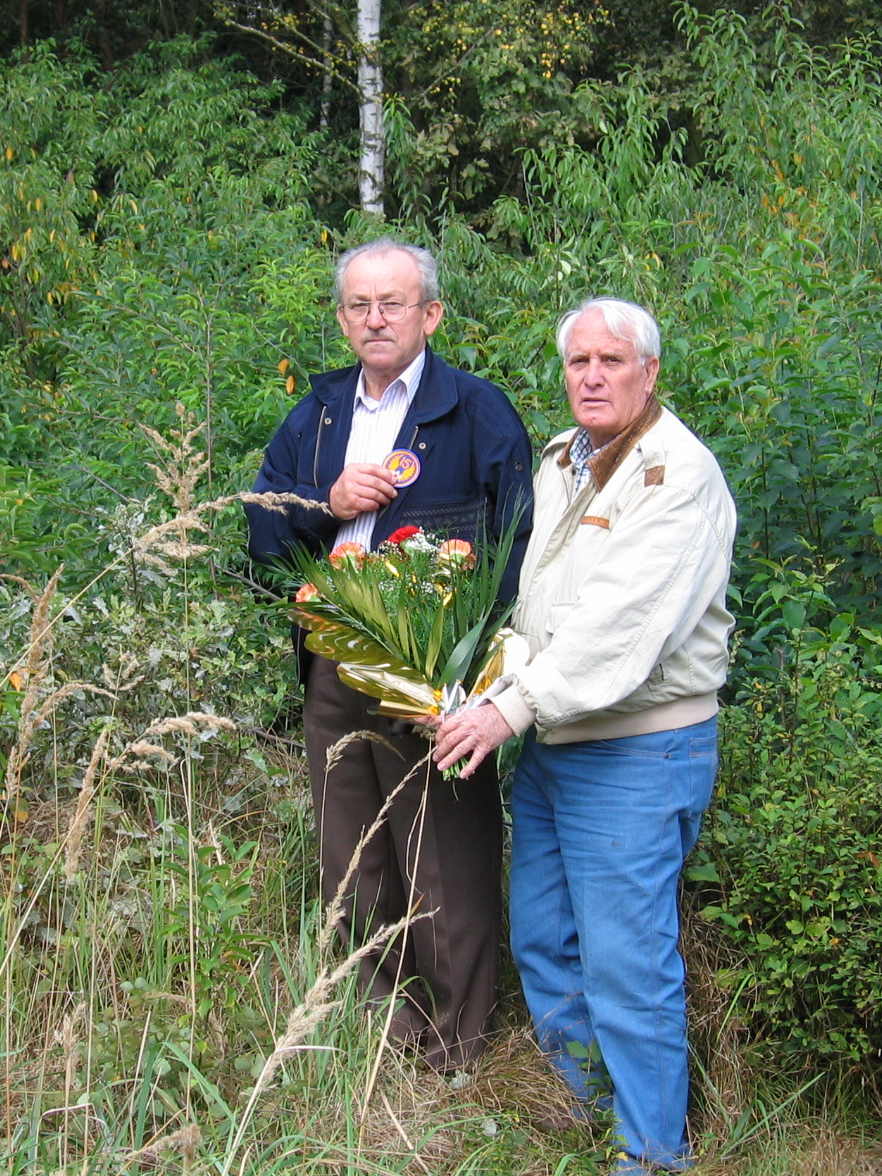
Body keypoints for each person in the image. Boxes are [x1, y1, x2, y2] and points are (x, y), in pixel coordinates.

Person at [433, 298, 736, 1171]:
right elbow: (540, 608)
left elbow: (622, 631)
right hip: (555, 745)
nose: (593, 377)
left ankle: (652, 1154)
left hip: (638, 751)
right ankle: (592, 1108)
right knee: (541, 938)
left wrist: (506, 711)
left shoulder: (678, 476)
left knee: (628, 967)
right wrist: (478, 688)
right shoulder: (566, 456)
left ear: (650, 373)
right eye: (578, 363)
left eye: (612, 361)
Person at [245, 238, 533, 1072]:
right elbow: (259, 534)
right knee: (355, 857)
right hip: (335, 664)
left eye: (394, 303)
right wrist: (322, 504)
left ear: (431, 314)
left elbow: (521, 550)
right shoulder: (320, 415)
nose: (376, 319)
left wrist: (486, 676)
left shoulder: (476, 410)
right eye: (360, 306)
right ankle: (383, 1034)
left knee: (443, 861)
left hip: (432, 673)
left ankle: (455, 1049)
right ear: (341, 320)